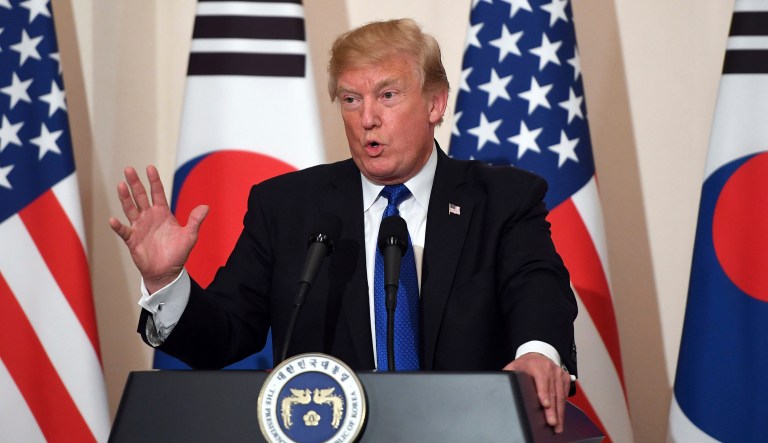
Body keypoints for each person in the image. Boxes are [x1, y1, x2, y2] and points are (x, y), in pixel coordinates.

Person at [110, 19, 577, 433]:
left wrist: (538, 353)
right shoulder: (287, 206)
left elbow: (538, 288)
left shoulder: (502, 199)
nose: (367, 118)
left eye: (387, 95)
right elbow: (225, 338)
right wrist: (165, 280)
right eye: (351, 100)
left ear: (436, 103)